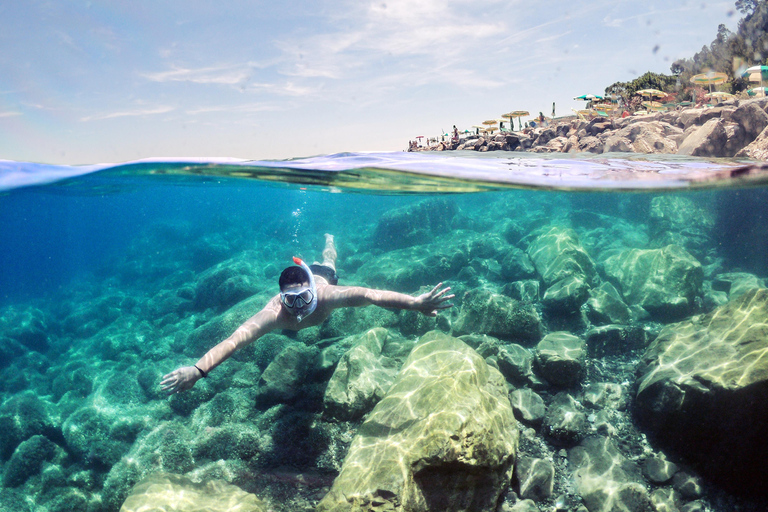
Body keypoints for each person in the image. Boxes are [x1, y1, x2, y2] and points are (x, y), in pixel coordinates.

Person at [161, 234, 454, 394]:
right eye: (291, 299)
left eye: (304, 297)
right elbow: (235, 340)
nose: (299, 307)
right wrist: (198, 370)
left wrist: (415, 303)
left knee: (329, 260)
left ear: (312, 291)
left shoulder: (326, 295)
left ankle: (329, 241)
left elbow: (371, 295)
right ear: (281, 297)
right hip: (306, 279)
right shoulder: (274, 313)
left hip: (322, 275)